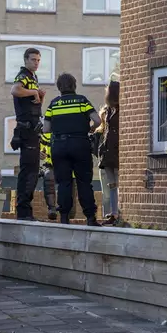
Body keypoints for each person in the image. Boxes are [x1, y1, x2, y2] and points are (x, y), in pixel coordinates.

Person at [42, 73, 102, 226]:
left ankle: (64, 217)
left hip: (59, 146)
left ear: (59, 87)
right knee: (84, 181)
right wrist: (89, 129)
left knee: (64, 183)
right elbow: (97, 120)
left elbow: (46, 129)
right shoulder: (82, 101)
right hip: (80, 144)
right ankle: (90, 217)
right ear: (74, 85)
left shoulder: (53, 104)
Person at [10, 48, 46, 221]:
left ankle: (26, 210)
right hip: (26, 128)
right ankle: (23, 211)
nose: (36, 63)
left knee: (32, 170)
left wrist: (39, 96)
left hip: (32, 128)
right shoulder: (23, 75)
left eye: (38, 60)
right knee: (29, 171)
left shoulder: (33, 77)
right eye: (33, 60)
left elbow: (33, 105)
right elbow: (15, 90)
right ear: (26, 60)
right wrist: (33, 92)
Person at [96, 80, 120, 225]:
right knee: (111, 183)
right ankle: (114, 213)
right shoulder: (107, 110)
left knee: (117, 182)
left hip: (117, 150)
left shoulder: (121, 109)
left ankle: (118, 212)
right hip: (108, 152)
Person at [38, 131, 58, 220]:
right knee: (48, 177)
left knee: (69, 189)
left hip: (69, 167)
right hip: (51, 165)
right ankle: (52, 209)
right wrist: (39, 152)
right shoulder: (47, 134)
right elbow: (40, 147)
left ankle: (67, 212)